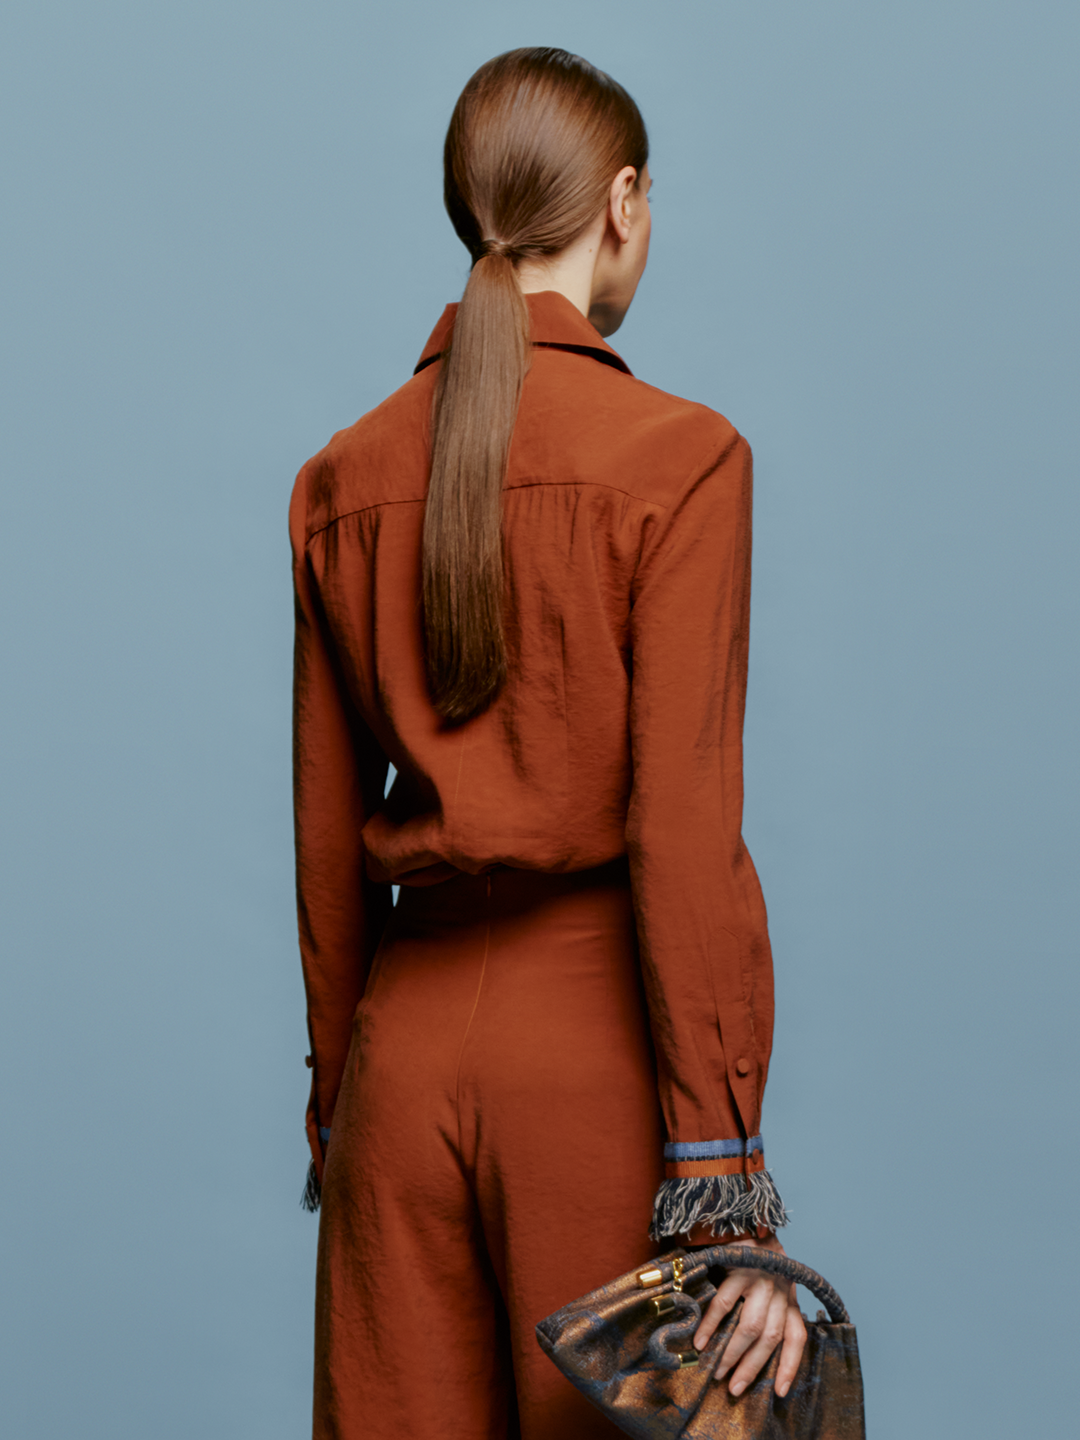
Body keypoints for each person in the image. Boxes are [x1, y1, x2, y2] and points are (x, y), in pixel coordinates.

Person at [290, 45, 806, 1440]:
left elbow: (325, 841)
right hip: (594, 1060)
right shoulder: (683, 461)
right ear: (624, 204)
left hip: (399, 1068)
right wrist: (723, 1171)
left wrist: (340, 1111)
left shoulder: (340, 479)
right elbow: (684, 837)